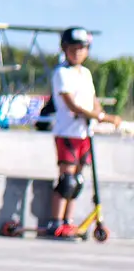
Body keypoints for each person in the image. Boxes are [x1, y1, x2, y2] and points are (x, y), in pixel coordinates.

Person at [46, 27, 119, 238]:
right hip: (67, 132)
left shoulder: (85, 73)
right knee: (66, 180)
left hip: (84, 133)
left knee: (77, 181)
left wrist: (100, 114)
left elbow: (93, 101)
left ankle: (68, 221)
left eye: (81, 48)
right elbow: (72, 105)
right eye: (73, 48)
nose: (77, 52)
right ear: (65, 49)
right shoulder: (62, 73)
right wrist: (102, 117)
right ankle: (55, 222)